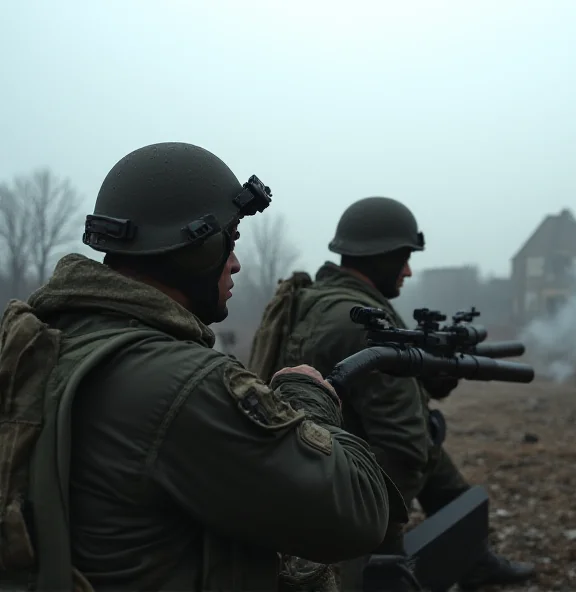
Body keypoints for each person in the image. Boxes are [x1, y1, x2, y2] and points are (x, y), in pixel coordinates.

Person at [3, 143, 405, 591]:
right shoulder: (180, 383)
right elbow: (359, 514)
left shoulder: (42, 344)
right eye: (229, 238)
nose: (235, 261)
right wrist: (307, 397)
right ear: (195, 247)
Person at [259, 196, 536, 590]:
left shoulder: (317, 299)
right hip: (351, 465)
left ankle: (474, 559)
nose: (408, 270)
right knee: (415, 446)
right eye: (403, 257)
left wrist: (433, 375)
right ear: (379, 257)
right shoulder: (361, 322)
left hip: (325, 446)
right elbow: (402, 443)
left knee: (435, 459)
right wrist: (371, 534)